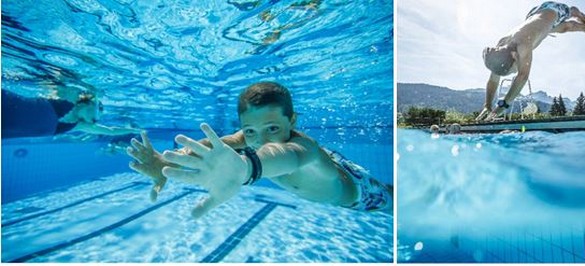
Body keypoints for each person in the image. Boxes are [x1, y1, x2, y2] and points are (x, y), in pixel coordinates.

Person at [126, 81, 392, 218]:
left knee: (396, 203)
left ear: (293, 121)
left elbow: (279, 156)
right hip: (333, 166)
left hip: (360, 193)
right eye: (251, 130)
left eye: (273, 128)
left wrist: (245, 168)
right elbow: (217, 146)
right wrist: (167, 163)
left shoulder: (302, 148)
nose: (263, 140)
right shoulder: (250, 136)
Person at [476, 1, 585, 121]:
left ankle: (576, 13)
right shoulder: (501, 46)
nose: (514, 71)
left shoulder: (523, 44)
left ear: (514, 56)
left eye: (511, 70)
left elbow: (522, 77)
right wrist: (487, 105)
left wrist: (500, 108)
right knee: (559, 28)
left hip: (554, 9)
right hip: (534, 15)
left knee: (566, 26)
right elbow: (493, 79)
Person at [1, 89, 140, 138]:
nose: (97, 118)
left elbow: (111, 131)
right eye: (100, 110)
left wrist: (134, 130)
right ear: (91, 104)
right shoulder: (69, 99)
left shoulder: (77, 125)